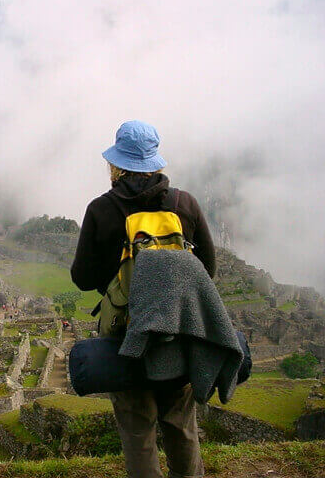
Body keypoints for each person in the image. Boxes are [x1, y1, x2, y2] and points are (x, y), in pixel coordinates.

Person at [70, 120, 215, 478]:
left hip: (125, 334)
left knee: (137, 430)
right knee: (181, 425)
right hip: (178, 331)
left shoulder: (101, 210)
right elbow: (207, 269)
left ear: (115, 164)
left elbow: (82, 278)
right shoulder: (185, 204)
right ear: (155, 162)